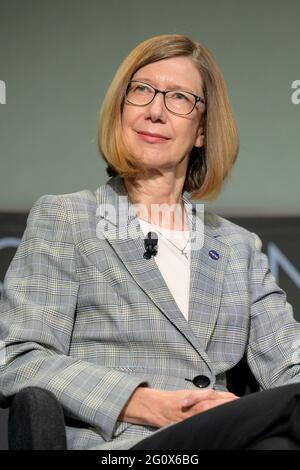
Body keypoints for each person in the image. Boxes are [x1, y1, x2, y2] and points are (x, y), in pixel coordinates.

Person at [1, 34, 300, 451]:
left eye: (179, 98)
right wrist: (145, 402)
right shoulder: (66, 218)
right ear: (122, 109)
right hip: (125, 447)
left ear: (201, 131)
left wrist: (239, 413)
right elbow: (19, 358)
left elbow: (290, 363)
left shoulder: (237, 248)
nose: (155, 111)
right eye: (141, 91)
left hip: (228, 437)